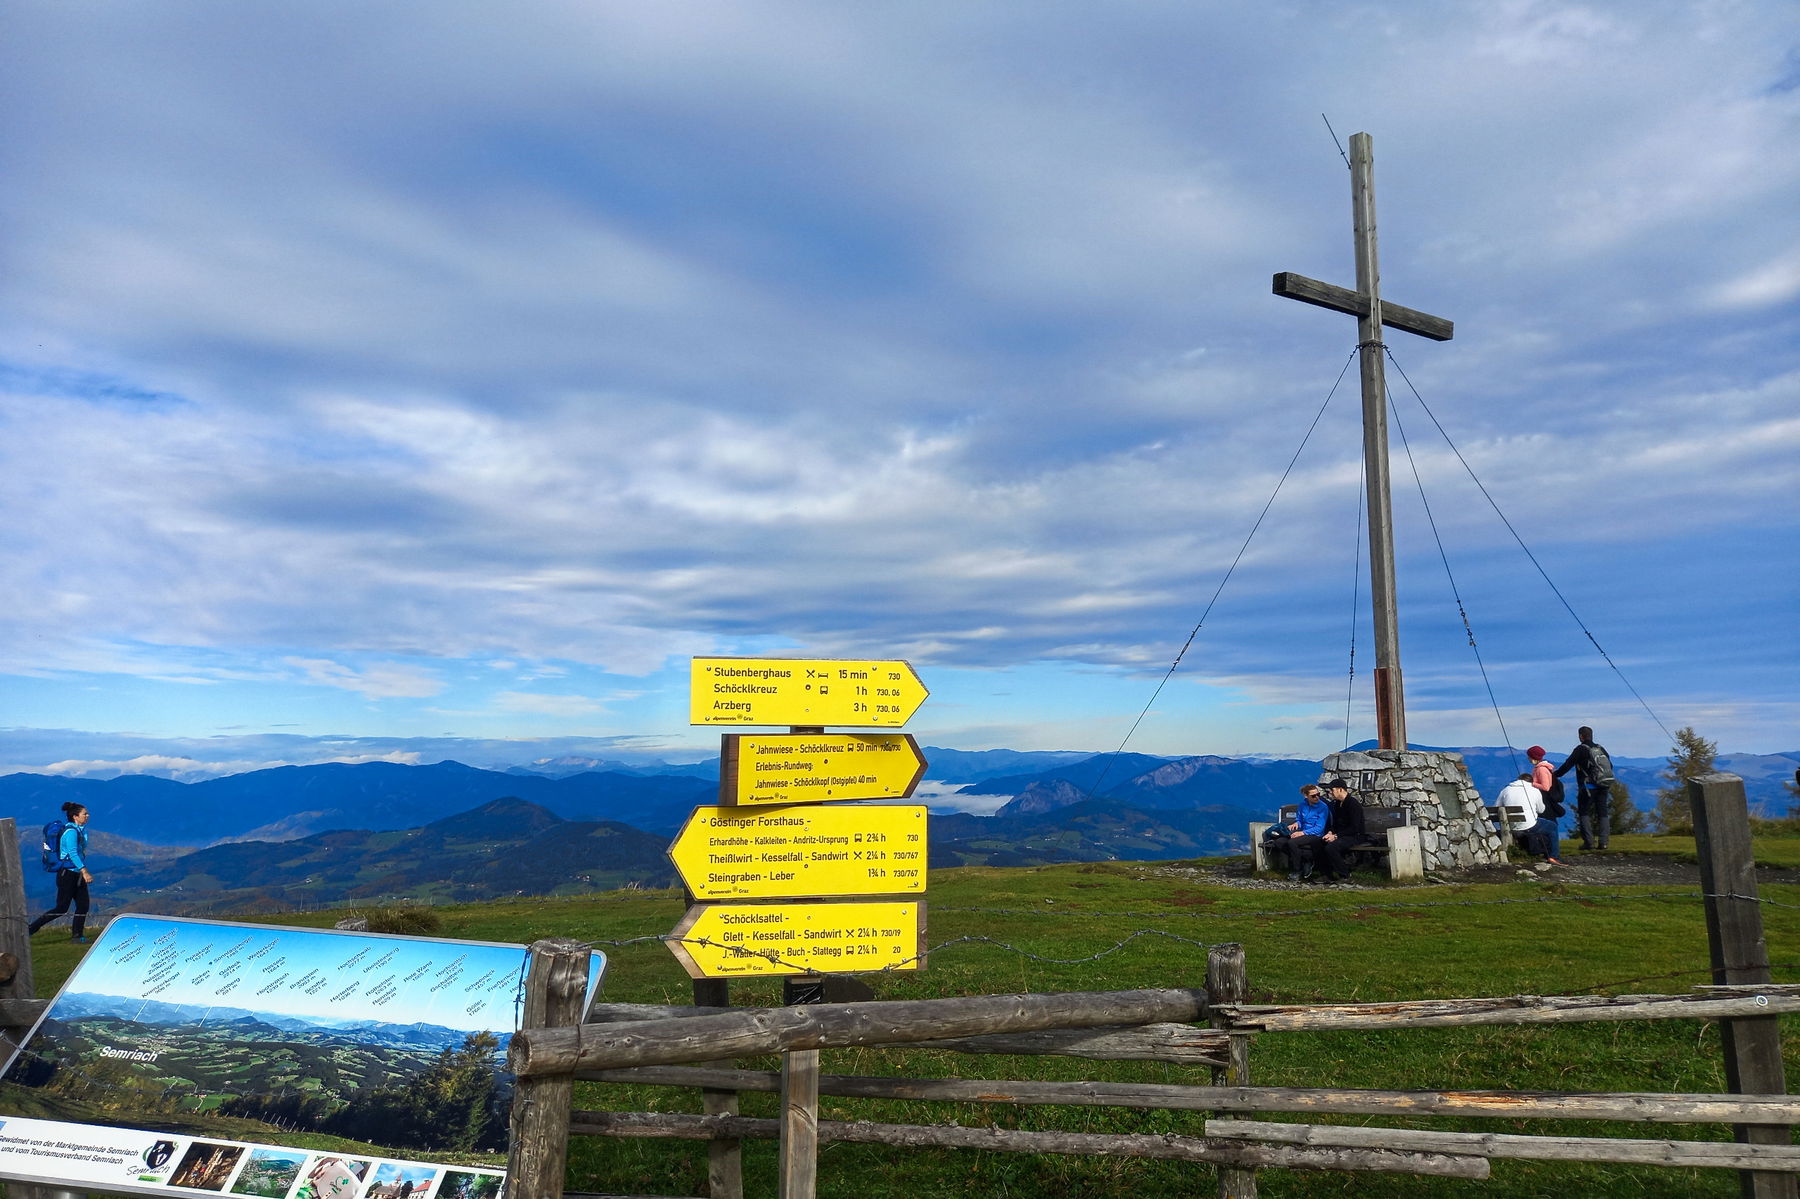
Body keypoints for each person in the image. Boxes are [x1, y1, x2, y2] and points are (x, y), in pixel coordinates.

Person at [28, 802, 93, 942]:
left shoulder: (80, 830)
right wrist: (85, 871)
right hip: (68, 874)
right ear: (75, 816)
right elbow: (72, 853)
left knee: (83, 905)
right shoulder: (71, 832)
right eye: (84, 814)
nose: (87, 816)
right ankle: (30, 929)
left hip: (76, 874)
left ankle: (77, 936)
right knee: (61, 908)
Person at [1553, 726, 1614, 851]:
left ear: (1581, 736)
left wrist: (1554, 775)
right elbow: (1610, 765)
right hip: (1603, 785)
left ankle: (1589, 842)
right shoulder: (1600, 748)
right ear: (1591, 735)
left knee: (1584, 812)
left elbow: (1567, 765)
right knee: (1602, 812)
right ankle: (1604, 843)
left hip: (1588, 787)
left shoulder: (1580, 749)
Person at [1498, 772, 1562, 864]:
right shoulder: (1535, 790)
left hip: (1510, 825)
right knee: (1552, 827)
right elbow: (1541, 810)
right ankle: (1553, 856)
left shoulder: (1505, 790)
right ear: (1531, 782)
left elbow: (1497, 807)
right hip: (1529, 825)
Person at [1319, 777, 1368, 882]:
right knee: (1320, 843)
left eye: (1332, 790)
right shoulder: (1337, 803)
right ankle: (1327, 874)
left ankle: (1345, 875)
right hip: (1342, 835)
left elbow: (1355, 828)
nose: (1331, 793)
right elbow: (1336, 823)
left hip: (1355, 836)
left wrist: (1336, 836)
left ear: (1340, 789)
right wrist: (1330, 832)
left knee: (1331, 848)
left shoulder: (1353, 804)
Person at [1286, 784, 1331, 880]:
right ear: (1306, 796)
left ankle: (1297, 870)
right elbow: (1300, 820)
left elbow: (1319, 828)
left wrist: (1302, 833)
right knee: (1282, 841)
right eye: (1313, 796)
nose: (1317, 797)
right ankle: (1307, 861)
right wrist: (1296, 824)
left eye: (1318, 794)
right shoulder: (1302, 805)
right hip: (1305, 832)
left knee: (1292, 842)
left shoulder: (1323, 807)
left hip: (1316, 835)